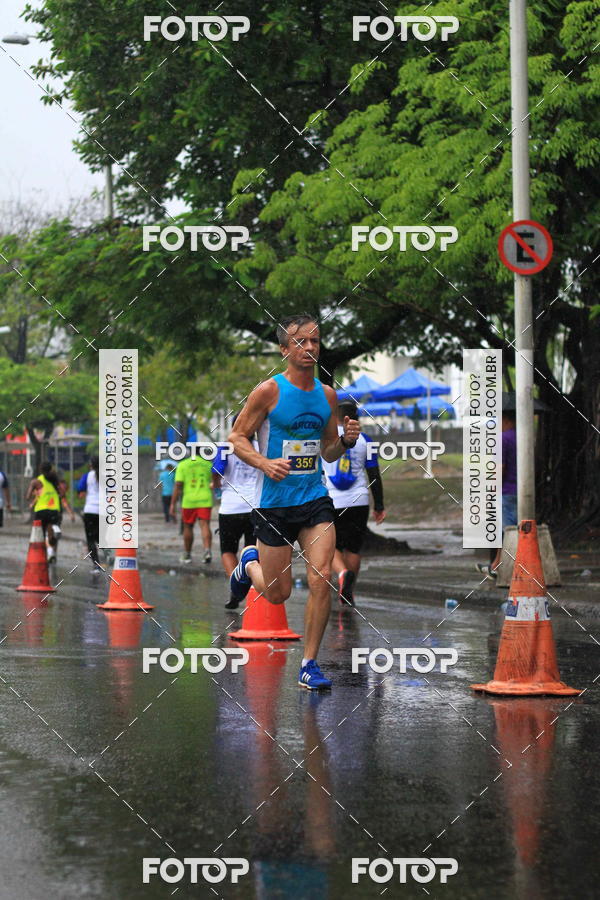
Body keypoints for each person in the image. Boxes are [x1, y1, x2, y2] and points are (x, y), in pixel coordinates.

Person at [228, 313, 361, 691]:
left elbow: (329, 452)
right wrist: (263, 462)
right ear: (284, 349)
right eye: (301, 342)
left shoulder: (327, 395)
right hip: (274, 504)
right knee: (277, 593)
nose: (309, 348)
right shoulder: (268, 391)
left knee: (321, 578)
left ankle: (308, 663)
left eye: (315, 341)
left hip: (315, 498)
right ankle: (248, 565)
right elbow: (237, 437)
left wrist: (346, 441)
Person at [322, 400, 386, 606]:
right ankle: (348, 592)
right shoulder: (365, 440)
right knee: (354, 549)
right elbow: (374, 474)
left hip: (332, 500)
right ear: (355, 416)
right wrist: (379, 505)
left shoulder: (327, 437)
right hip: (359, 500)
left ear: (336, 416)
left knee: (330, 547)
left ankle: (342, 575)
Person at [212, 416, 259, 609]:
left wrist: (216, 487)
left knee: (228, 550)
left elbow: (216, 471)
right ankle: (253, 589)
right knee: (253, 550)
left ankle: (236, 588)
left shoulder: (226, 447)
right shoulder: (261, 446)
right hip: (256, 506)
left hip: (230, 507)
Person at [477, 409, 517, 579]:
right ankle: (497, 565)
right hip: (520, 491)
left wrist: (492, 489)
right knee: (508, 531)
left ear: (506, 420)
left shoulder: (502, 439)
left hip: (506, 491)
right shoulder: (521, 437)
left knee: (507, 532)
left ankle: (506, 568)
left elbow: (500, 468)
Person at [170, 452, 214, 564]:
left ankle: (187, 554)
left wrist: (172, 504)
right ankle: (207, 551)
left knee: (188, 527)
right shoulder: (208, 464)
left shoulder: (183, 465)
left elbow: (178, 485)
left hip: (189, 500)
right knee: (205, 525)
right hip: (205, 498)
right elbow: (213, 482)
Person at [26, 462, 74, 562]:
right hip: (54, 510)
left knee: (40, 536)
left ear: (40, 470)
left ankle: (42, 556)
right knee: (50, 532)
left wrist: (34, 494)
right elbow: (62, 494)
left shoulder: (36, 481)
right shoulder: (55, 481)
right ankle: (52, 542)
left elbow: (28, 496)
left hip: (41, 511)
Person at [77, 456, 100, 570]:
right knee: (100, 535)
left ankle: (96, 564)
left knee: (90, 539)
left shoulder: (87, 476)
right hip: (104, 511)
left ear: (90, 465)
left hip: (90, 510)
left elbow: (81, 493)